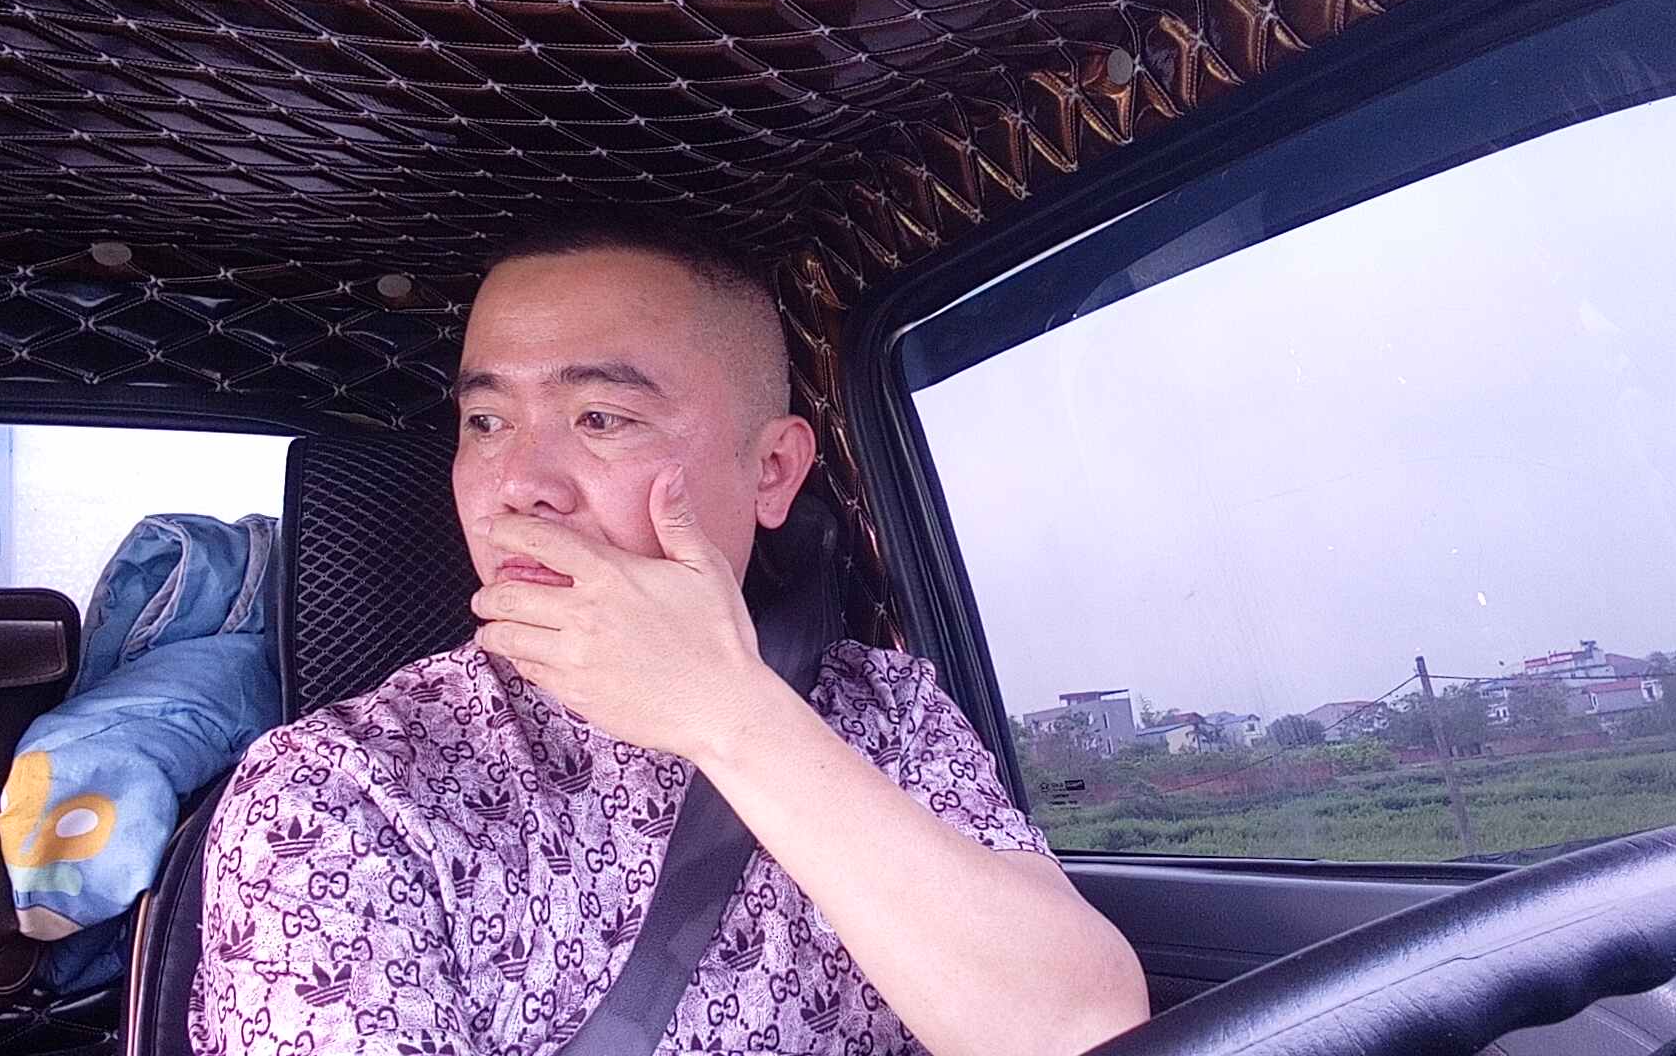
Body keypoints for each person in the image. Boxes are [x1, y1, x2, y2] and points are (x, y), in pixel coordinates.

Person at [191, 212, 1150, 1056]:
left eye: (600, 417)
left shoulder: (885, 712)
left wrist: (731, 716)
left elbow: (1082, 1033)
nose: (518, 484)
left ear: (771, 472)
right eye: (485, 421)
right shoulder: (339, 787)